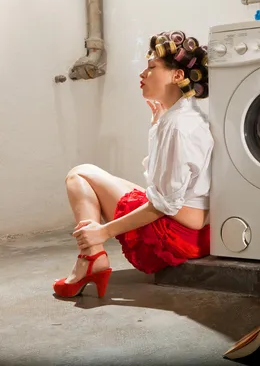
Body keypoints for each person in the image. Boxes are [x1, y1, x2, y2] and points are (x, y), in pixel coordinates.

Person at [53, 30, 213, 298]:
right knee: (86, 175)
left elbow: (164, 204)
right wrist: (157, 124)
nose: (142, 74)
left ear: (177, 76)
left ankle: (90, 257)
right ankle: (91, 259)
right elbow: (165, 190)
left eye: (151, 68)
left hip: (176, 237)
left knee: (78, 175)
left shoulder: (177, 126)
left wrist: (102, 232)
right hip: (194, 232)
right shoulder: (181, 117)